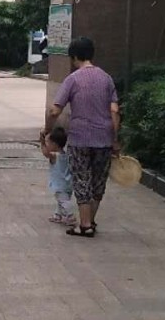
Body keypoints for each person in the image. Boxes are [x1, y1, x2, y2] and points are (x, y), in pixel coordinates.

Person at [43, 35, 120, 238]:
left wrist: (47, 130)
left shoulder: (73, 79)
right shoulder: (106, 78)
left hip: (80, 139)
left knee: (81, 179)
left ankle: (84, 225)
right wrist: (114, 139)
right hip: (104, 139)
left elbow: (55, 110)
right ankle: (90, 221)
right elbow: (114, 111)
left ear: (74, 56)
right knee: (98, 182)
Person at [43, 124, 76, 229]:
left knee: (63, 201)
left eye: (48, 143)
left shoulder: (55, 156)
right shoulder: (65, 154)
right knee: (61, 200)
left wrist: (42, 141)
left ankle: (70, 215)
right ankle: (58, 215)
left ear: (54, 144)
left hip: (59, 184)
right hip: (68, 182)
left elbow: (46, 153)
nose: (47, 145)